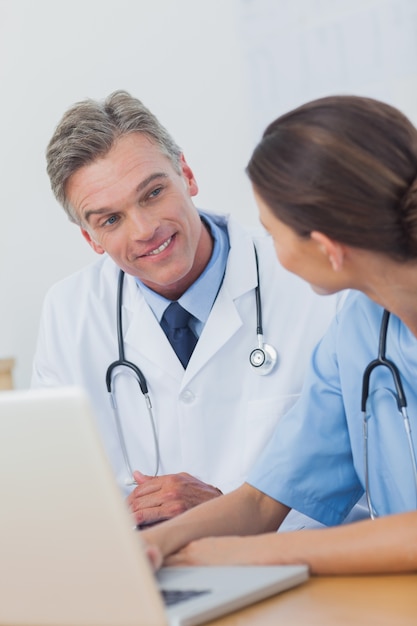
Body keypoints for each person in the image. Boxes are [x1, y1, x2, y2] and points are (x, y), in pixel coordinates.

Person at [31, 90, 341, 528]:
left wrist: (229, 517)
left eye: (153, 193)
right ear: (89, 238)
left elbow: (362, 491)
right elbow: (57, 495)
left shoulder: (308, 279)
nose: (145, 229)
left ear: (187, 175)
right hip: (154, 577)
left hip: (298, 573)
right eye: (110, 220)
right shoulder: (69, 313)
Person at [141, 94, 417, 574]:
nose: (269, 247)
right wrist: (152, 547)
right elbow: (263, 502)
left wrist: (242, 556)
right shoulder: (357, 329)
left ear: (328, 248)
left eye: (272, 232)